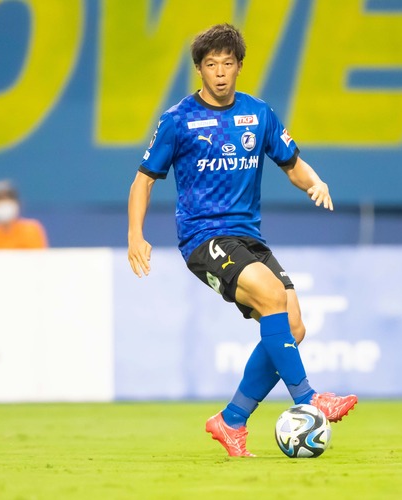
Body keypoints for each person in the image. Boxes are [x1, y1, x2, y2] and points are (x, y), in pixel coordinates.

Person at [127, 24, 357, 457]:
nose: (219, 72)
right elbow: (143, 180)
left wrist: (315, 181)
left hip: (248, 237)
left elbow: (292, 164)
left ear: (239, 67)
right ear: (199, 69)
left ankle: (231, 420)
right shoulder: (177, 120)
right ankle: (310, 399)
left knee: (293, 326)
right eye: (211, 64)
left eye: (227, 64)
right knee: (271, 295)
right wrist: (135, 235)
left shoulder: (259, 114)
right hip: (203, 236)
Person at [0, 179, 48, 250]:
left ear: (17, 203)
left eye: (6, 199)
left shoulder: (31, 230)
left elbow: (38, 257)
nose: (3, 205)